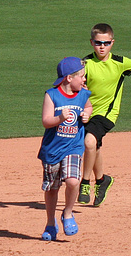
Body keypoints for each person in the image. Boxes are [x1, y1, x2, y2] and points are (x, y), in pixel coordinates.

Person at [78, 23, 131, 206]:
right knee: (94, 146)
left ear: (112, 43)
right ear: (91, 42)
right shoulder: (86, 63)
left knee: (89, 142)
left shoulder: (120, 63)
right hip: (87, 111)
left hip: (107, 113)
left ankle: (85, 183)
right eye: (98, 43)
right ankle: (102, 180)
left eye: (106, 43)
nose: (102, 47)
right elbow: (77, 83)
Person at [38, 57, 92, 241]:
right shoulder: (52, 95)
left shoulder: (83, 94)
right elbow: (46, 121)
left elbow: (88, 106)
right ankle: (50, 223)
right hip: (52, 150)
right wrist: (60, 118)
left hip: (73, 147)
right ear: (69, 78)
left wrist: (87, 115)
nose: (84, 80)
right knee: (52, 188)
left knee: (73, 181)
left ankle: (67, 213)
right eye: (81, 76)